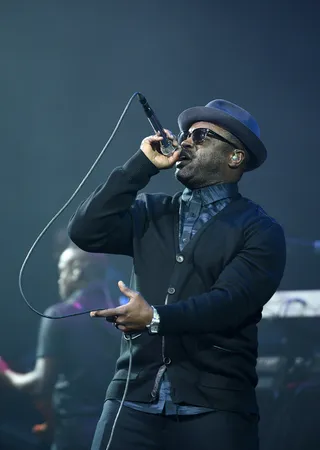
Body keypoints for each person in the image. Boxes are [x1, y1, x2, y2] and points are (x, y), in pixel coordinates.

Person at [68, 99, 286, 450]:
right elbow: (86, 231)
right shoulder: (153, 211)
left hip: (214, 405)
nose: (184, 141)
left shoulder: (259, 230)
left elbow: (230, 302)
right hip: (133, 397)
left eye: (200, 136)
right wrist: (141, 166)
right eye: (185, 134)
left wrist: (156, 317)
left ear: (235, 157)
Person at [0, 245, 120, 450]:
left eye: (62, 270)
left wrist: (5, 373)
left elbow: (40, 384)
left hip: (74, 433)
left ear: (77, 271)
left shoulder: (59, 314)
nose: (59, 279)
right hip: (115, 429)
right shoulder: (124, 315)